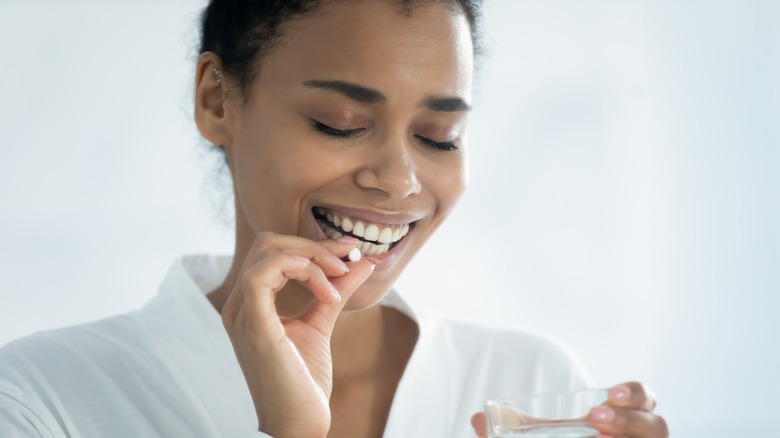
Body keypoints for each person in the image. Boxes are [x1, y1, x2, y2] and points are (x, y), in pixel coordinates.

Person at [0, 0, 668, 437]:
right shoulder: (41, 401)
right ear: (216, 100)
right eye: (339, 123)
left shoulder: (528, 388)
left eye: (439, 135)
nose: (399, 180)